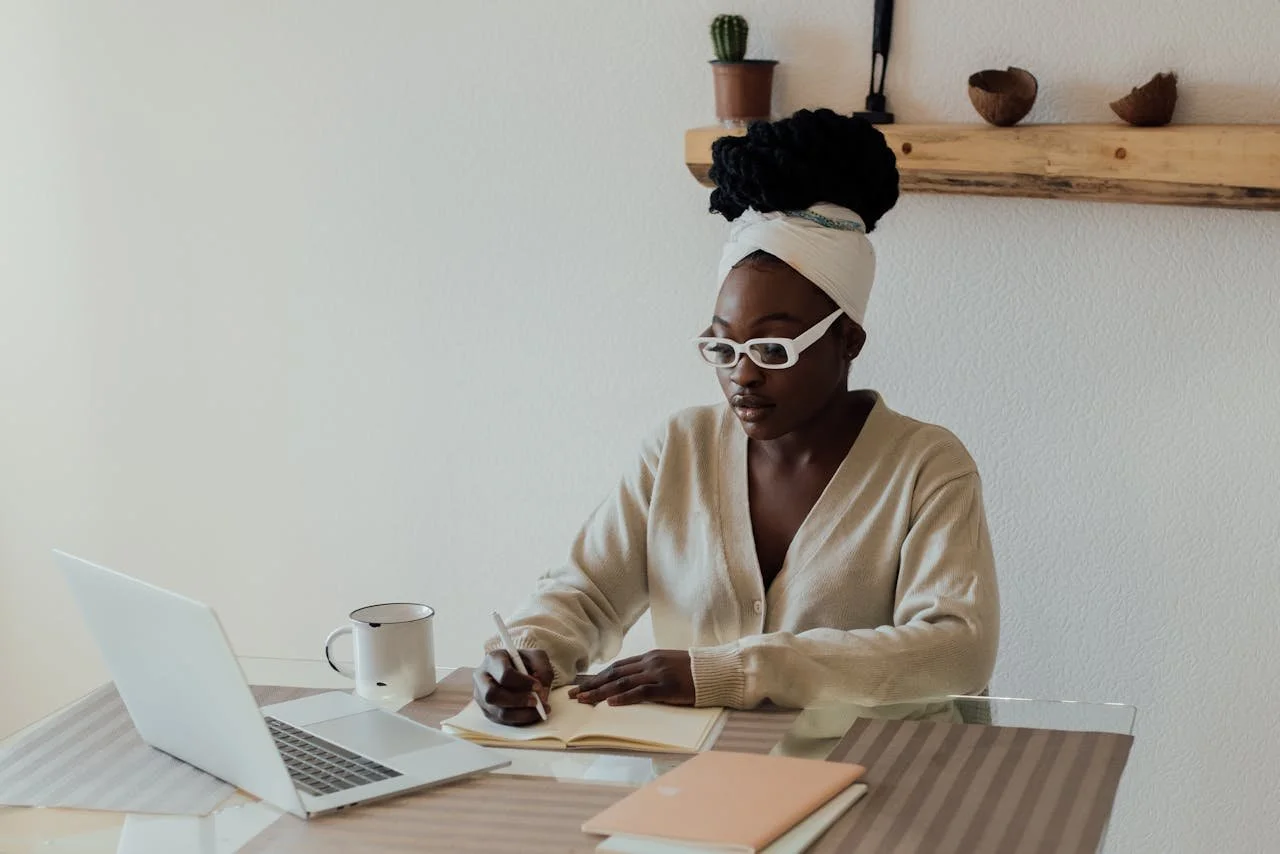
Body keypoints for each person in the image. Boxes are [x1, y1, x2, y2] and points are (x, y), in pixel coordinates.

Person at [473, 108, 999, 726]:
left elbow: (956, 648)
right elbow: (585, 593)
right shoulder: (679, 449)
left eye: (773, 350)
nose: (742, 375)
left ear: (848, 341)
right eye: (723, 348)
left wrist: (733, 671)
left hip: (879, 774)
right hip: (697, 773)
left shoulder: (926, 467)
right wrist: (529, 649)